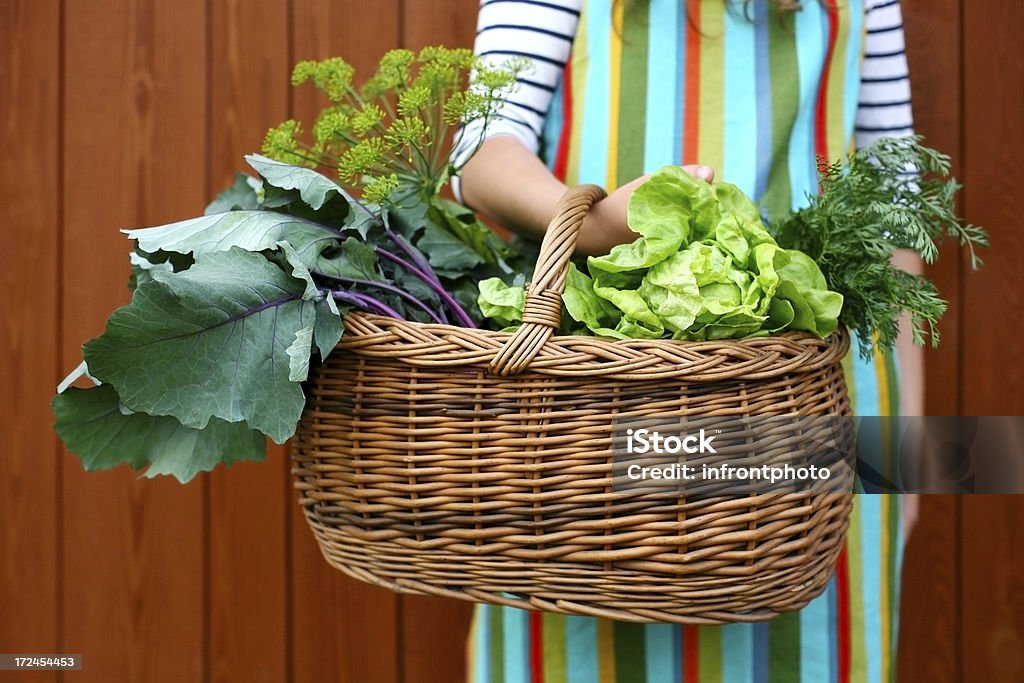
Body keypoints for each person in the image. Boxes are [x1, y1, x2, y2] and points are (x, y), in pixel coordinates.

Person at [456, 0, 920, 680]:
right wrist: (593, 225)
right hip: (597, 419)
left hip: (813, 431)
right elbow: (484, 151)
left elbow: (896, 212)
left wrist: (903, 466)